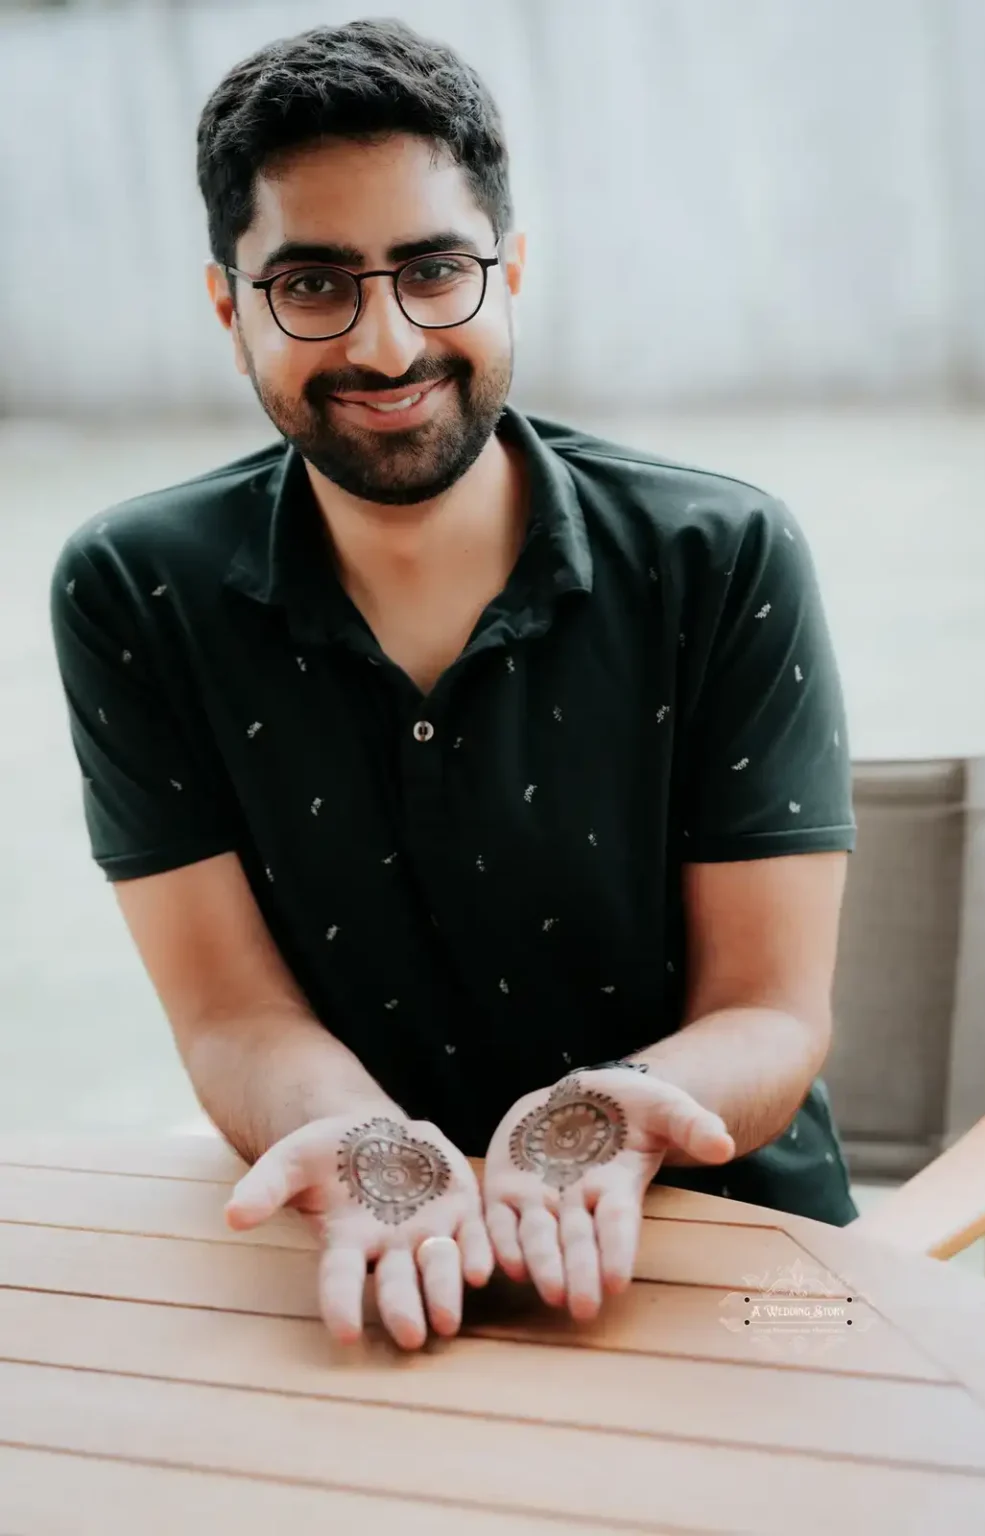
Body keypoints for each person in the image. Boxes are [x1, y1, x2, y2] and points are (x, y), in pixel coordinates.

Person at [50, 18, 859, 1353]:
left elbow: (771, 1008)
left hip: (715, 1246)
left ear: (511, 272)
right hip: (353, 1253)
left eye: (433, 271)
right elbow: (231, 1013)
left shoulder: (721, 555)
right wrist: (375, 1151)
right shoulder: (133, 590)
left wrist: (601, 1115)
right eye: (312, 286)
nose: (383, 346)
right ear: (226, 307)